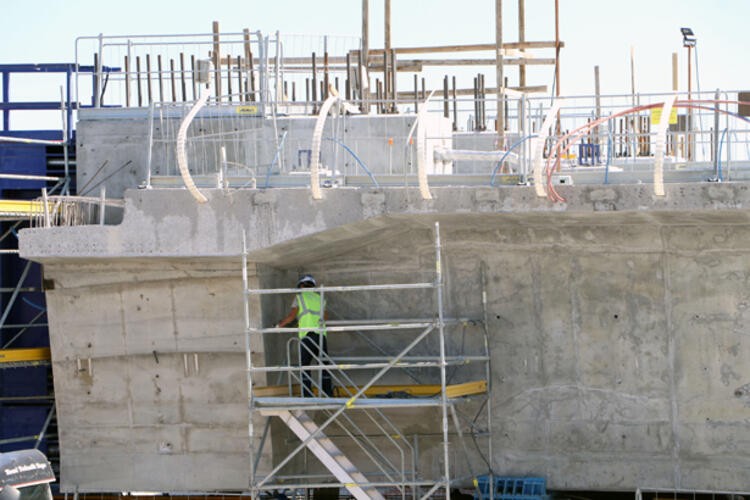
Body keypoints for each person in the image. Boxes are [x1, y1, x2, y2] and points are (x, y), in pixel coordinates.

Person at [277, 274, 333, 397]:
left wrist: (280, 325)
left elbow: (292, 316)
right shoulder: (320, 298)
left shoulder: (299, 297)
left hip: (307, 335)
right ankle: (328, 392)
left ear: (301, 285)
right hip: (320, 335)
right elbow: (325, 317)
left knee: (305, 366)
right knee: (323, 365)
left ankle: (307, 394)